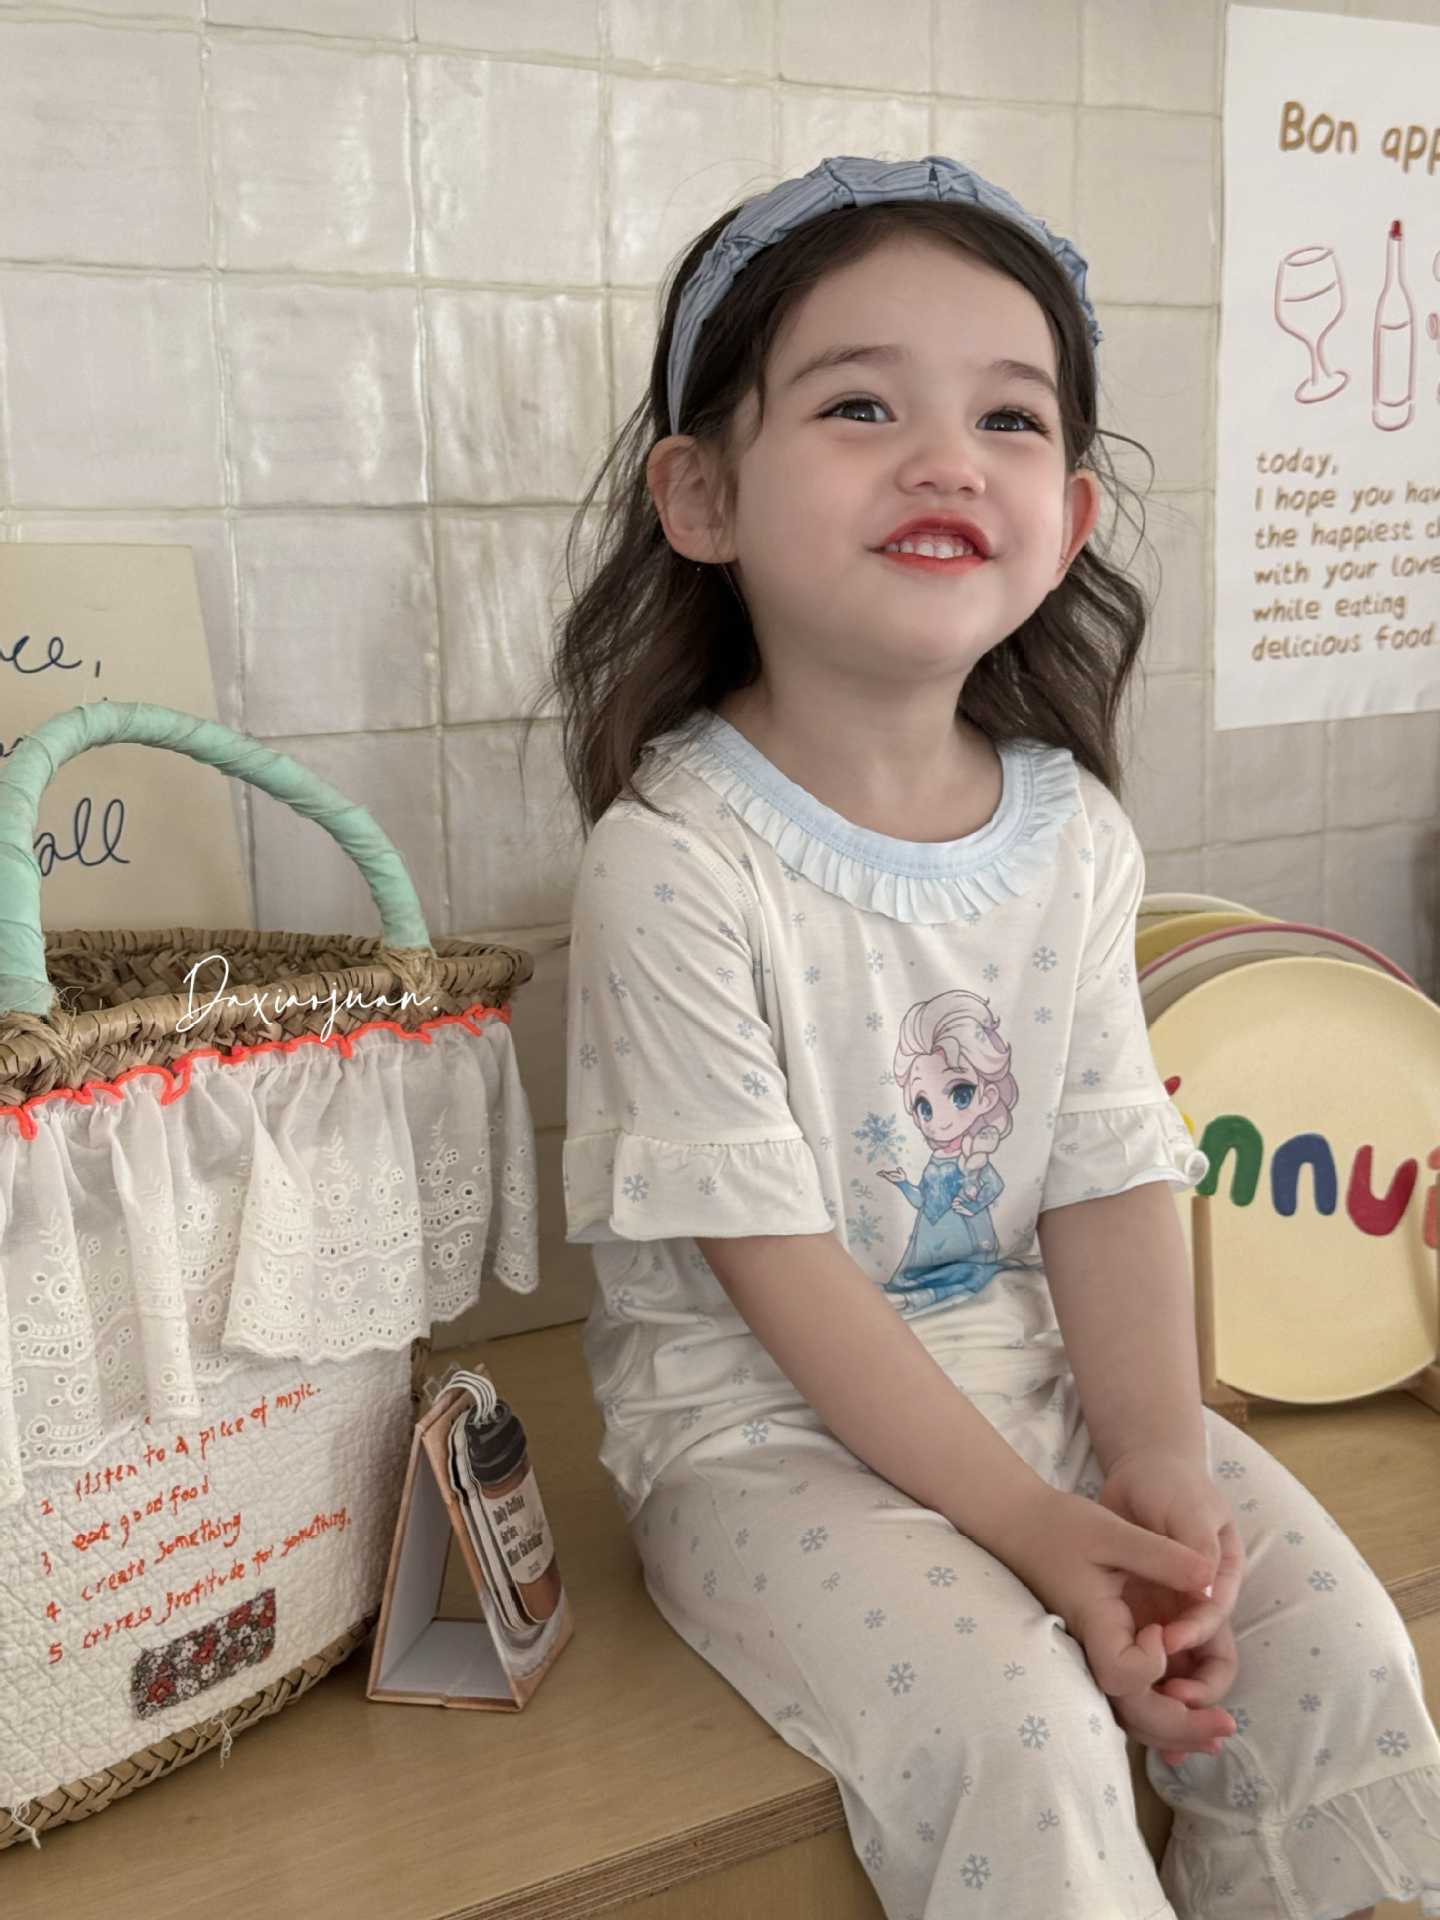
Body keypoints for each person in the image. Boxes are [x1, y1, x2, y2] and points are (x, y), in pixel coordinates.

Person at [544, 154, 1440, 1917]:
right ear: (702, 493)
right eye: (860, 405)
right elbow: (780, 1275)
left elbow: (1109, 1172)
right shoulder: (672, 862)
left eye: (1010, 418)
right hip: (759, 1438)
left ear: (1072, 515)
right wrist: (1037, 1530)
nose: (949, 459)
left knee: (1336, 1649)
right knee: (1026, 1732)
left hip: (1032, 1374)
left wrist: (1156, 1458)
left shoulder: (1073, 834)